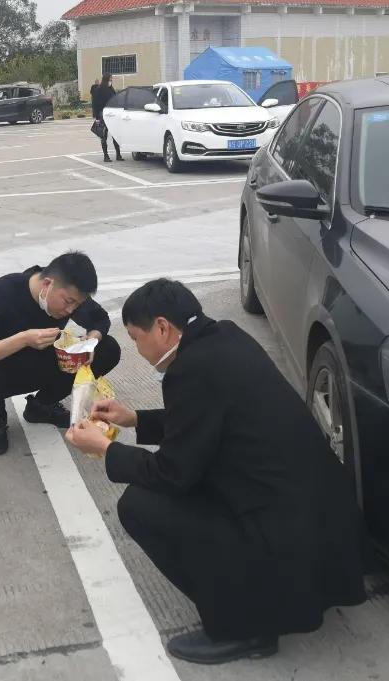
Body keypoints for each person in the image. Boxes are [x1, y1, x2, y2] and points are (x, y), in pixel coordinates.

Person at [66, 279, 366, 664]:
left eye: (137, 339)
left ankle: (245, 628)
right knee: (163, 494)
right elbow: (205, 422)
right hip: (314, 519)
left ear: (162, 327)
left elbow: (173, 474)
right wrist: (135, 418)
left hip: (280, 530)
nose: (138, 351)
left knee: (140, 506)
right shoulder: (225, 338)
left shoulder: (190, 370)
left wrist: (106, 449)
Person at [0, 252, 122, 455]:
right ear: (47, 284)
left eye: (77, 304)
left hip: (45, 362)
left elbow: (100, 319)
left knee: (108, 348)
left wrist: (91, 341)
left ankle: (42, 406)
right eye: (68, 302)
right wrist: (23, 339)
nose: (71, 310)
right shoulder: (3, 291)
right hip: (4, 369)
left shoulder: (70, 294)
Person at [91, 74, 121, 162]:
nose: (111, 81)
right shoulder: (99, 90)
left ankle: (118, 154)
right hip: (102, 114)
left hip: (112, 114)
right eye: (110, 79)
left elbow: (115, 99)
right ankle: (106, 155)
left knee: (115, 134)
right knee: (103, 135)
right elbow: (95, 104)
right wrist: (96, 117)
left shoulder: (111, 89)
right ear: (106, 80)